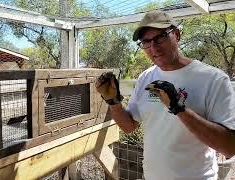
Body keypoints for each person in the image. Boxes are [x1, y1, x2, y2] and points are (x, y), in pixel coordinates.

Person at [95, 10, 235, 180]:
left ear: (176, 35)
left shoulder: (214, 79)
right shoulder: (146, 77)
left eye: (160, 37)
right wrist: (113, 101)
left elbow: (229, 147)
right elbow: (129, 126)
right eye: (146, 42)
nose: (153, 47)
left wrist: (178, 108)